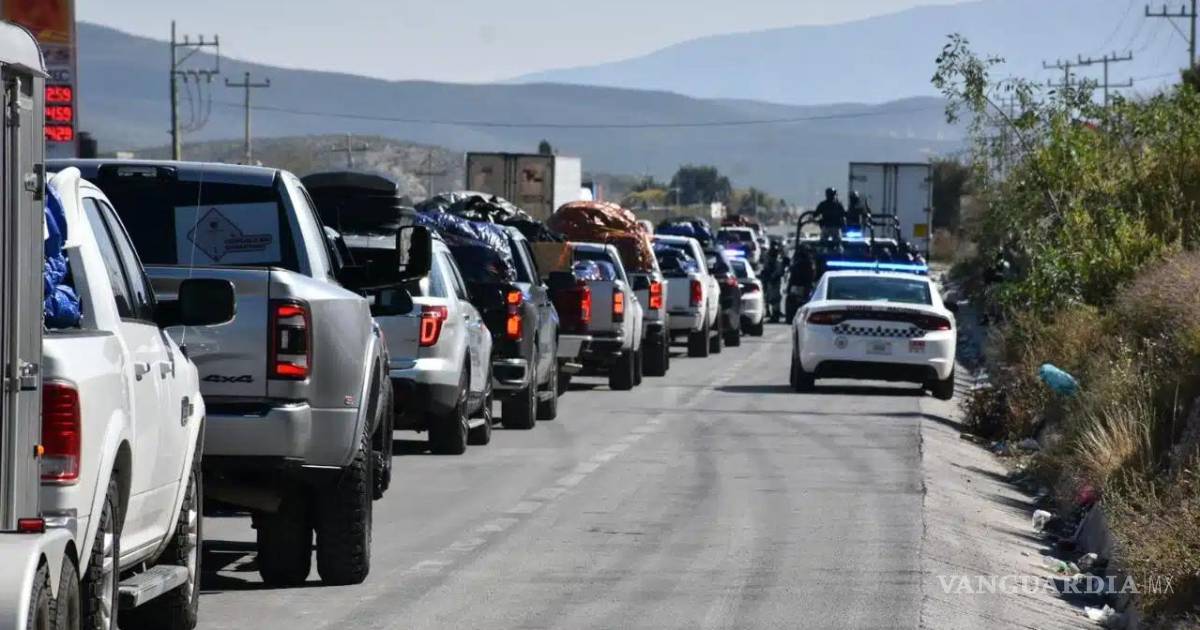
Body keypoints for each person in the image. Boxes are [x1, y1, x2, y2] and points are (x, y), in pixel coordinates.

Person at [760, 247, 785, 322]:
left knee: (775, 300)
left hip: (775, 283)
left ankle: (775, 316)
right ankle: (773, 314)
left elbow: (779, 273)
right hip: (770, 282)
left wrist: (772, 277)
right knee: (771, 299)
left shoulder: (777, 263)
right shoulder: (770, 262)